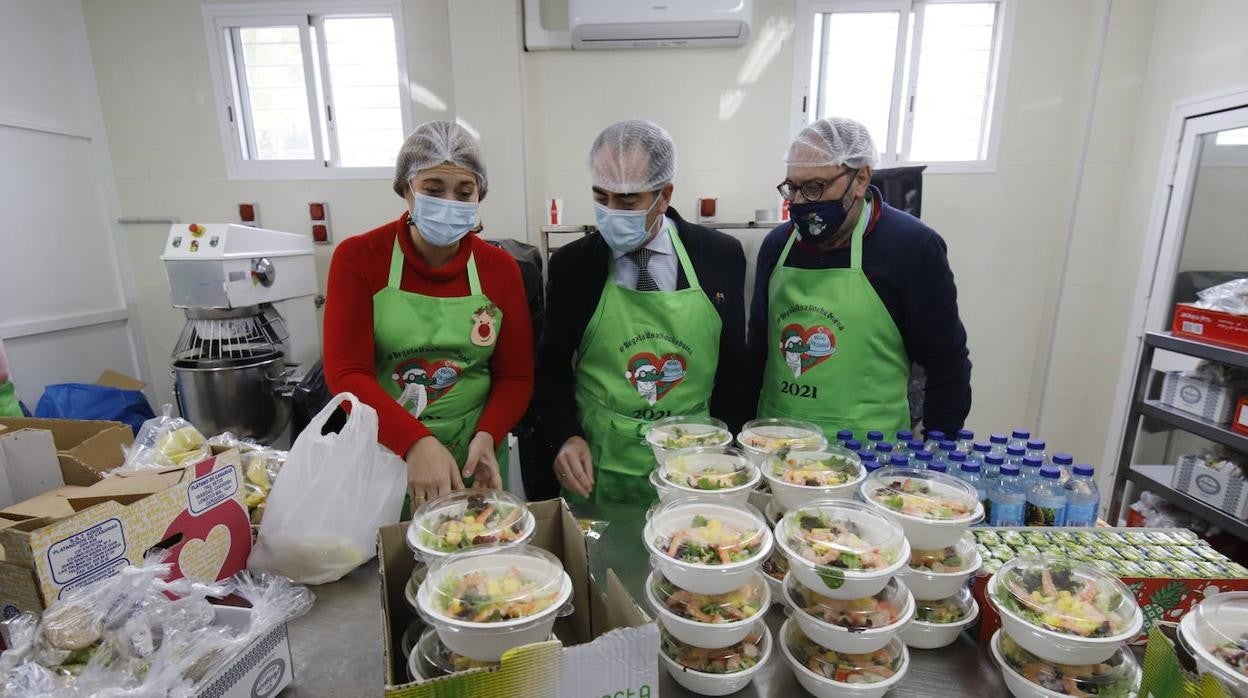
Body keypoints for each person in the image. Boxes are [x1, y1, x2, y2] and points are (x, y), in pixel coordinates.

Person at [535, 120, 747, 506]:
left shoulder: (720, 256)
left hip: (694, 462)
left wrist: (726, 455)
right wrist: (566, 435)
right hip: (600, 464)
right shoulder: (573, 266)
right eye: (601, 198)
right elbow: (550, 368)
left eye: (628, 202)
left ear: (664, 196)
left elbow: (735, 369)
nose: (611, 212)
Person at [323, 120, 534, 504]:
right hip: (387, 448)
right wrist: (414, 442)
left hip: (475, 456)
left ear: (479, 195)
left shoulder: (500, 270)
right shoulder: (359, 258)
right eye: (434, 190)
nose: (450, 203)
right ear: (406, 190)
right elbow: (346, 373)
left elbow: (515, 375)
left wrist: (488, 434)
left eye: (464, 191)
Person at [747, 117, 971, 437]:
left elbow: (947, 363)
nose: (798, 202)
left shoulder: (911, 247)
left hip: (870, 455)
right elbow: (758, 349)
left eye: (814, 187)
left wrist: (936, 453)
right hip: (778, 446)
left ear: (861, 178)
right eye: (792, 188)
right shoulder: (777, 246)